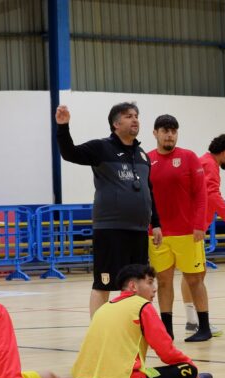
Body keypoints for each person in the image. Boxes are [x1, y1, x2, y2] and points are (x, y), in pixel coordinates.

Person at [56, 102, 162, 318]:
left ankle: (135, 324)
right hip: (110, 229)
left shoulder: (143, 155)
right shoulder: (101, 148)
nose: (134, 120)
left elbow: (148, 190)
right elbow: (69, 153)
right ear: (116, 124)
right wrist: (63, 127)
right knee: (104, 283)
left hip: (139, 230)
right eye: (128, 116)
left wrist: (156, 223)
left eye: (136, 116)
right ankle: (98, 330)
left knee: (139, 282)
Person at [72, 264, 213, 378]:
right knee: (187, 370)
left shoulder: (103, 309)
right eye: (150, 283)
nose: (155, 288)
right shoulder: (142, 306)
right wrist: (190, 364)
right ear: (133, 286)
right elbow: (166, 352)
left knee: (147, 371)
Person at [147, 114, 212, 342]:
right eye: (165, 130)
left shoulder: (188, 157)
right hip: (158, 234)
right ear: (155, 133)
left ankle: (204, 327)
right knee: (163, 282)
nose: (169, 135)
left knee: (195, 280)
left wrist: (199, 225)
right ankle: (167, 331)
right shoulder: (147, 160)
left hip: (188, 233)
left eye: (173, 131)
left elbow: (202, 195)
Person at [181, 134, 225, 337]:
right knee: (194, 275)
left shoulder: (204, 162)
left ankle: (192, 320)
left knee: (195, 274)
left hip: (191, 226)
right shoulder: (209, 165)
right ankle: (194, 322)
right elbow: (212, 196)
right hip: (192, 228)